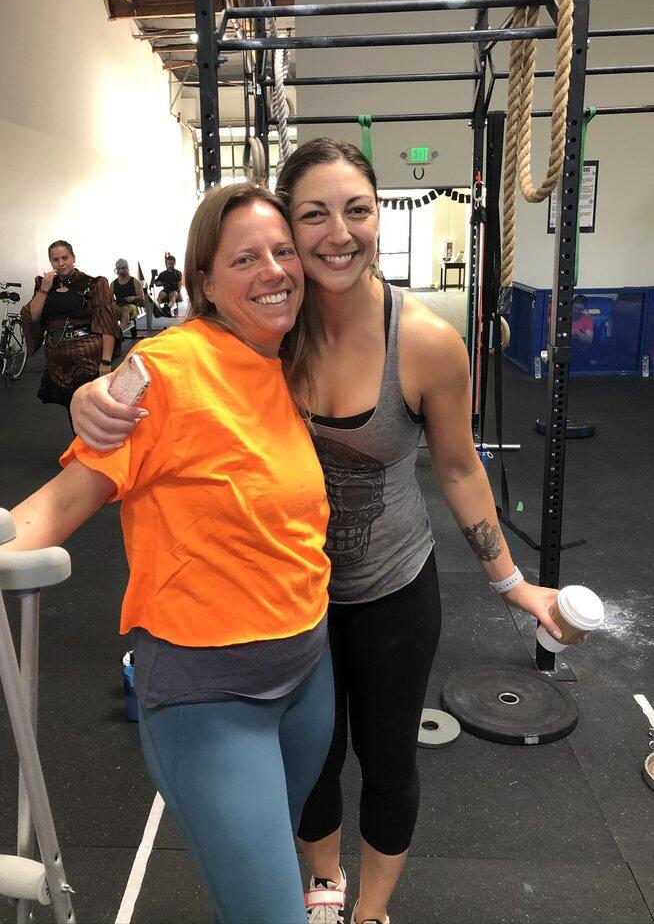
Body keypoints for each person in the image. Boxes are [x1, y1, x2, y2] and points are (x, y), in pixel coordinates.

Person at [69, 140, 566, 924]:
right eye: (314, 215)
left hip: (392, 588)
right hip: (293, 599)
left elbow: (460, 468)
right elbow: (174, 364)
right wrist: (95, 390)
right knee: (314, 762)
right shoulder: (269, 328)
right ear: (289, 230)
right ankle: (326, 886)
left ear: (378, 218)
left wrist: (512, 582)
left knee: (389, 759)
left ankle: (372, 911)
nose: (339, 232)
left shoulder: (425, 342)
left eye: (357, 210)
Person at [0, 183, 336, 924]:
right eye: (244, 259)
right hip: (211, 700)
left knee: (257, 888)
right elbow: (61, 501)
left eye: (283, 251)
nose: (273, 270)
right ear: (204, 281)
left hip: (307, 677)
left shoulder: (288, 362)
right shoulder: (165, 372)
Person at [20, 240, 121, 430]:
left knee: (94, 409)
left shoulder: (94, 283)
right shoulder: (44, 284)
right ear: (51, 262)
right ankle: (81, 446)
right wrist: (44, 288)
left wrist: (106, 361)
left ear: (73, 258)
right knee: (73, 410)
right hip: (58, 358)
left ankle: (99, 446)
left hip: (87, 356)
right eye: (55, 259)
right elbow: (33, 316)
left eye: (65, 258)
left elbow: (106, 322)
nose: (61, 263)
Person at [111, 259, 145, 338]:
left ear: (127, 268)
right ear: (116, 269)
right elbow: (109, 298)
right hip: (119, 306)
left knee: (125, 309)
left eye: (123, 268)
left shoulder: (135, 282)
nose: (121, 270)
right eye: (119, 269)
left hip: (132, 307)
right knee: (108, 309)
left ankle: (120, 330)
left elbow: (141, 298)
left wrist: (133, 298)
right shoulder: (113, 283)